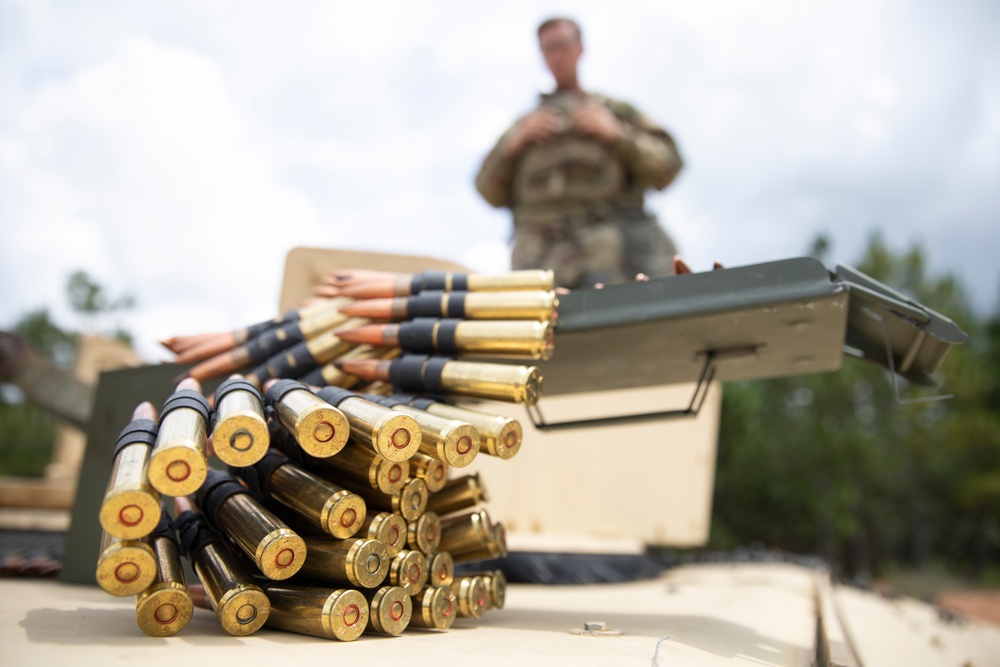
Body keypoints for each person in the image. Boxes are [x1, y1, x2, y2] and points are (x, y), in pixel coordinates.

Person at [476, 17, 685, 289]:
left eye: (562, 45)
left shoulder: (612, 112)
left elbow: (667, 167)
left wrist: (617, 135)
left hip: (610, 255)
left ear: (579, 48)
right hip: (538, 258)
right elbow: (486, 190)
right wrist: (513, 145)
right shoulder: (525, 126)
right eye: (548, 49)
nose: (556, 56)